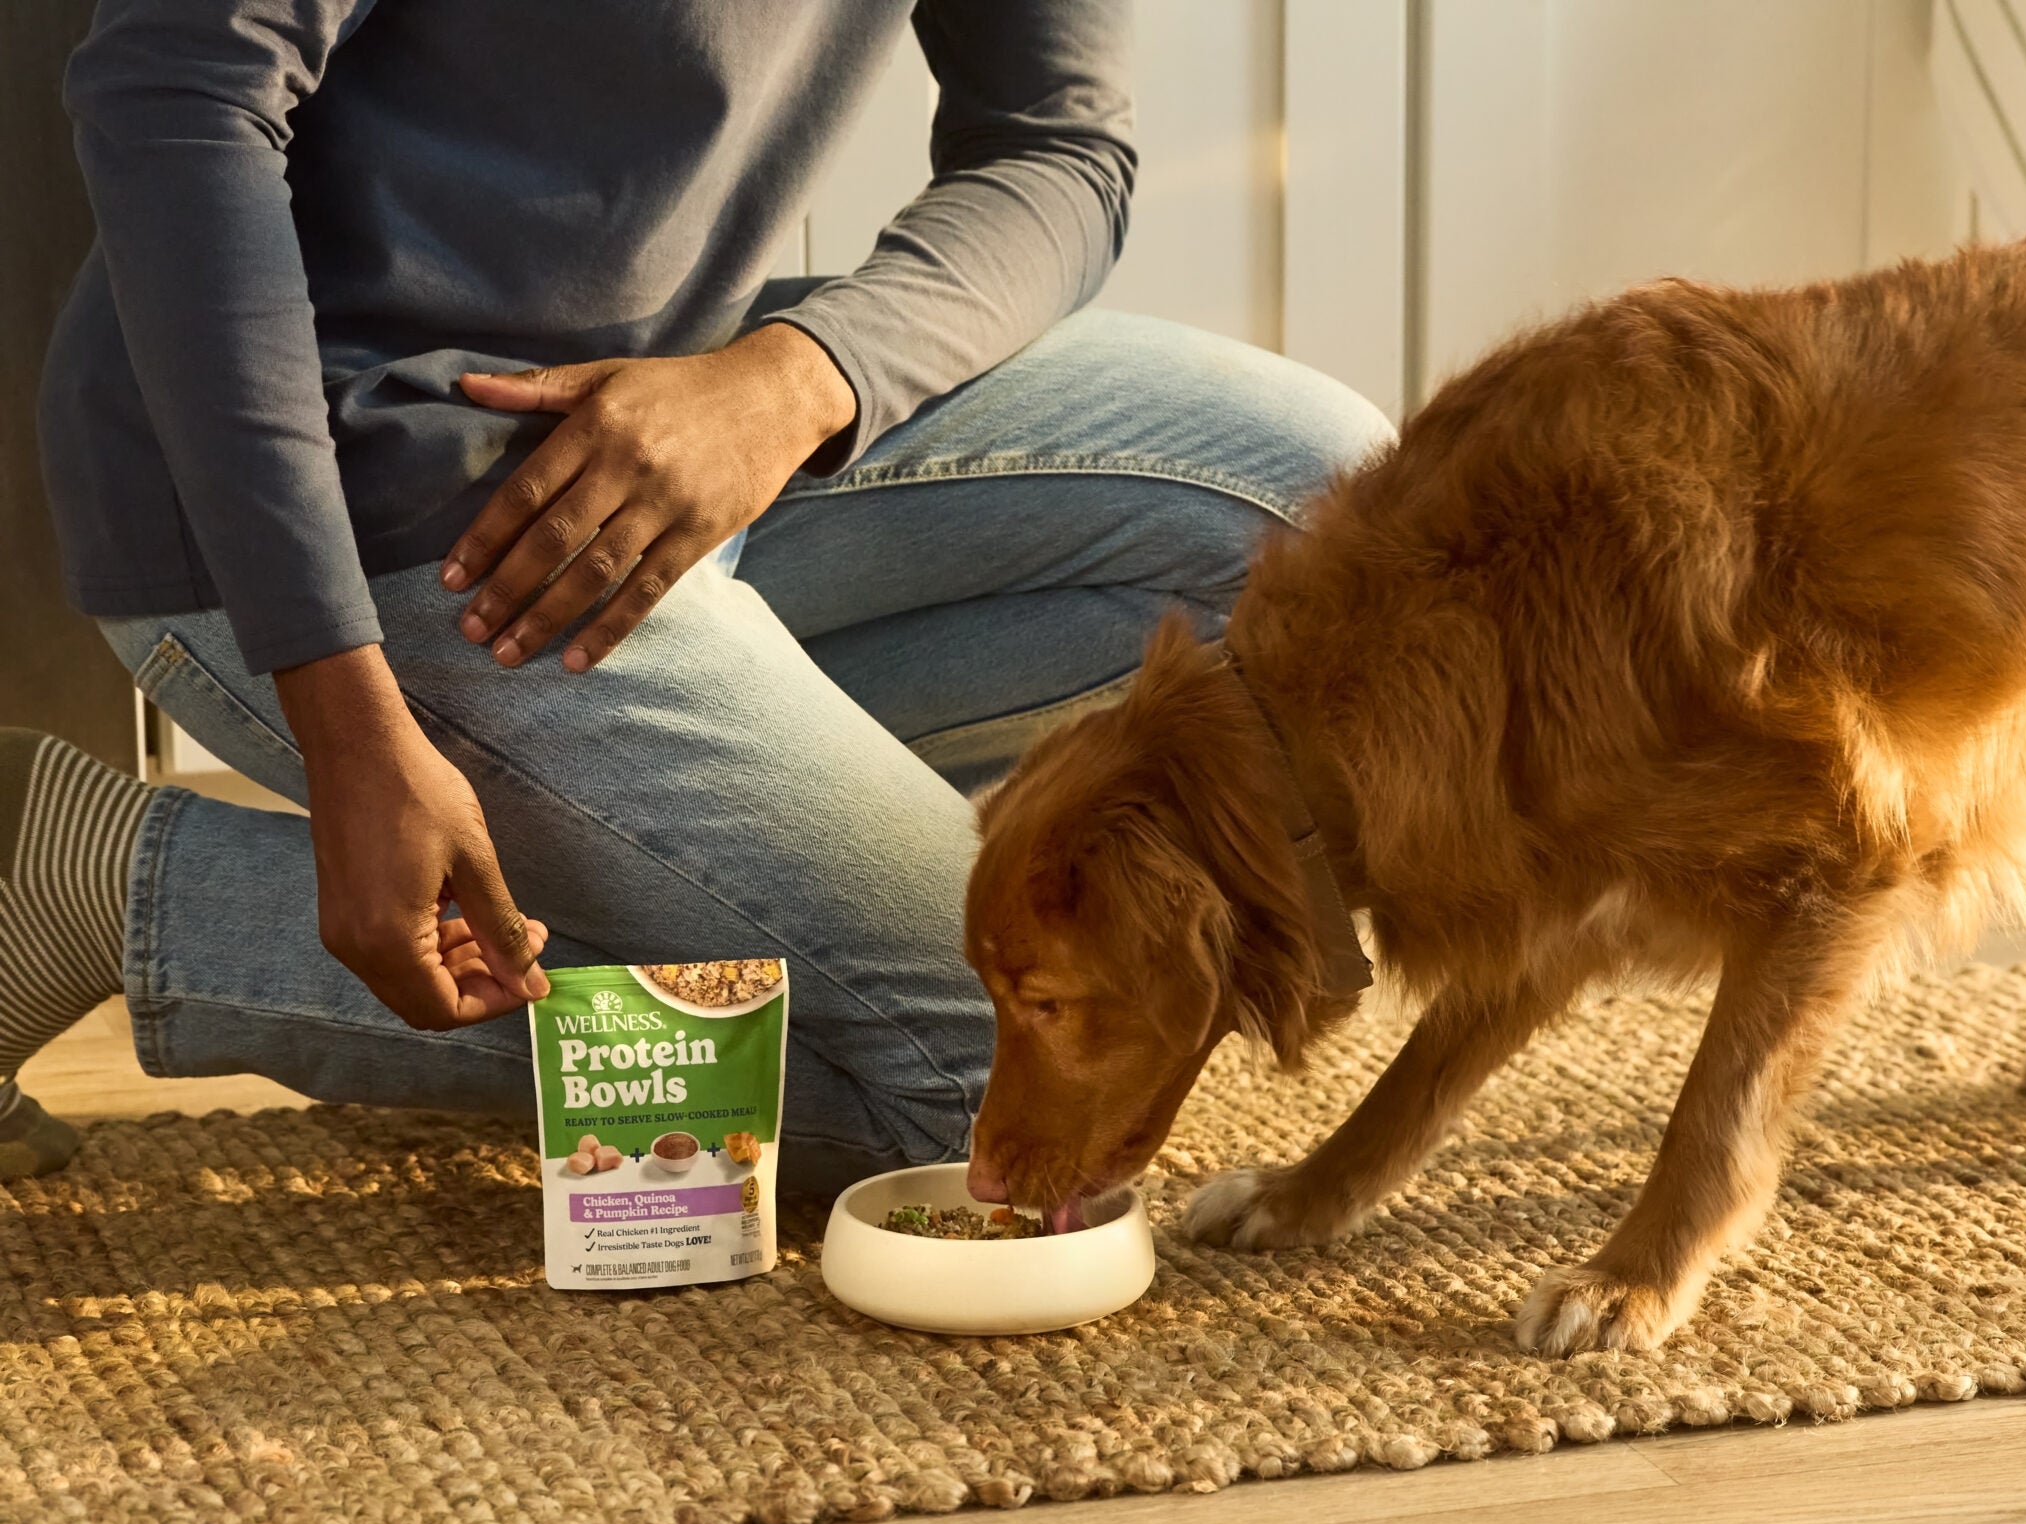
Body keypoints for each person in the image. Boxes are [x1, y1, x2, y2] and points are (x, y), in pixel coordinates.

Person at [3, 0, 1392, 1193]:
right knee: (979, 1072)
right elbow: (176, 92)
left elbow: (1062, 150)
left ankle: (679, 844)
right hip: (357, 490)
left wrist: (800, 378)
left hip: (690, 410)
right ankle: (87, 880)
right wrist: (341, 705)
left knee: (1326, 516)